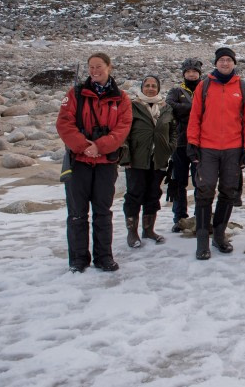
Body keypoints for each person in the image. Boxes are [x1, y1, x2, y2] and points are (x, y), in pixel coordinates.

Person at [56, 52, 132, 272]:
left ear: (109, 67)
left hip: (105, 162)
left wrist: (99, 146)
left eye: (99, 66)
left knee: (102, 211)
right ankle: (78, 259)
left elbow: (123, 128)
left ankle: (104, 256)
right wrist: (83, 145)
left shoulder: (122, 98)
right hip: (78, 161)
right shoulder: (76, 94)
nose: (94, 71)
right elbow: (64, 123)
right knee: (77, 212)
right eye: (91, 67)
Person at [186, 47, 245, 260]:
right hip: (208, 147)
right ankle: (202, 240)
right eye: (221, 60)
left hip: (233, 148)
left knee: (228, 191)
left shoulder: (242, 88)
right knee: (205, 189)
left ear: (234, 63)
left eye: (229, 60)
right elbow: (195, 115)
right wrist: (192, 142)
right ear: (216, 63)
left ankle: (219, 234)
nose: (225, 63)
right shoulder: (204, 86)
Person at [122, 75, 176, 248]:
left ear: (158, 88)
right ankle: (132, 233)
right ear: (142, 87)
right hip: (137, 158)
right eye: (147, 85)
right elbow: (124, 132)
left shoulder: (166, 108)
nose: (151, 88)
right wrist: (125, 156)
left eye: (154, 86)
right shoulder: (132, 106)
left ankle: (149, 230)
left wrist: (170, 147)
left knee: (153, 194)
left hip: (158, 158)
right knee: (134, 194)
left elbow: (174, 130)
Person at [165, 58, 202, 232]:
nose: (192, 74)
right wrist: (194, 108)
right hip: (180, 142)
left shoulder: (205, 89)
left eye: (194, 71)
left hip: (199, 143)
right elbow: (170, 106)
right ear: (184, 73)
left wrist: (184, 108)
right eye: (188, 72)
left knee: (199, 181)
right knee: (178, 181)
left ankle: (199, 215)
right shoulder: (176, 90)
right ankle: (179, 217)